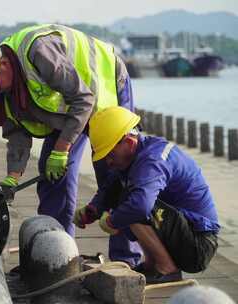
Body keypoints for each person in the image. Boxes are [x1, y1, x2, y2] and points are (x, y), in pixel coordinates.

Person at [0, 24, 142, 266]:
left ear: (3, 64)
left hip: (103, 90)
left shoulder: (40, 52)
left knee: (117, 172)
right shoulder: (3, 84)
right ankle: (58, 257)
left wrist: (62, 148)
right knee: (52, 175)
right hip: (70, 111)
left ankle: (127, 260)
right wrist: (12, 177)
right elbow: (17, 131)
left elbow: (84, 99)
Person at [74, 106, 219, 283]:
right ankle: (153, 265)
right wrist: (93, 210)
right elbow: (111, 186)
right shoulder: (134, 157)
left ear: (128, 143)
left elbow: (140, 206)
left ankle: (167, 269)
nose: (108, 162)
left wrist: (112, 221)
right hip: (182, 233)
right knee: (126, 195)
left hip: (198, 246)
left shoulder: (153, 160)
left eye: (110, 155)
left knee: (134, 204)